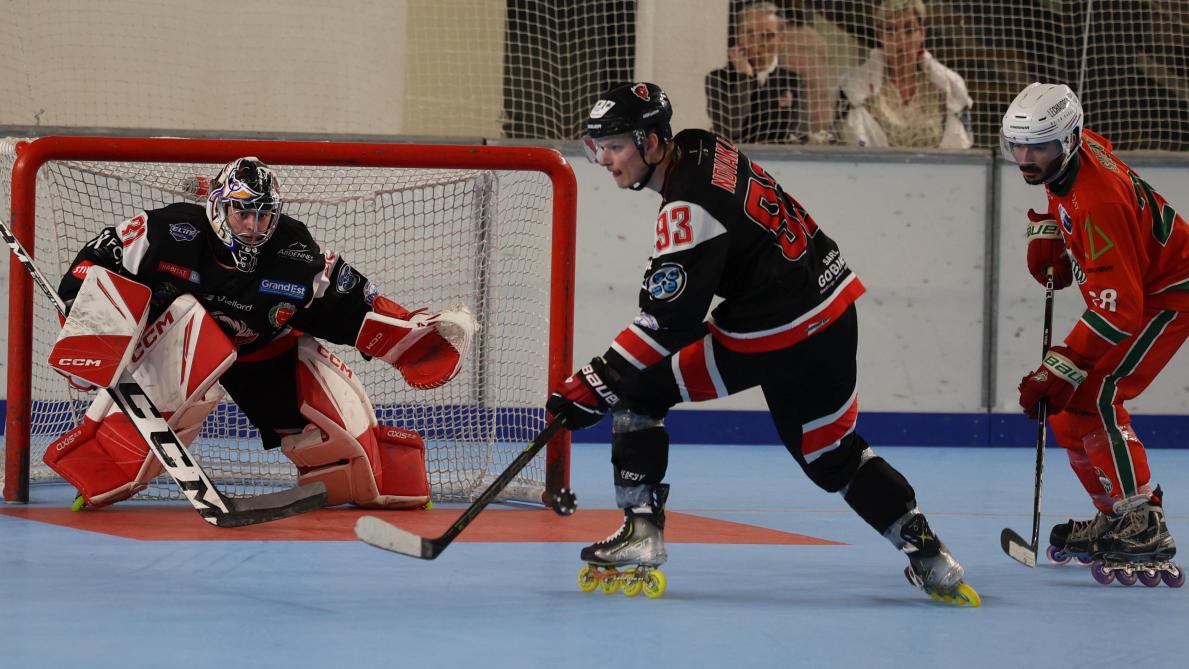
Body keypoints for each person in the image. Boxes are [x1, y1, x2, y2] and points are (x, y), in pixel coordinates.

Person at [549, 81, 980, 605]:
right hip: (834, 308)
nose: (603, 159)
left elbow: (669, 320)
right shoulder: (702, 143)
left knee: (638, 391)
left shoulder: (686, 208)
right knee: (831, 454)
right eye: (597, 146)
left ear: (653, 141)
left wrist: (597, 381)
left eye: (614, 145)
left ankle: (641, 536)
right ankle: (931, 555)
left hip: (773, 335)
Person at [44, 157, 475, 511]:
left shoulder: (294, 253)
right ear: (218, 208)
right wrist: (88, 333)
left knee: (349, 457)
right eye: (242, 211)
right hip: (177, 350)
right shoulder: (165, 233)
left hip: (261, 354)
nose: (253, 226)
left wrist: (412, 341)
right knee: (193, 325)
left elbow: (352, 305)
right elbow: (94, 267)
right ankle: (103, 460)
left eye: (263, 214)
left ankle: (379, 474)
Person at [1003, 83, 1186, 584]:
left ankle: (1142, 520)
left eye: (1036, 147)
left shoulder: (1097, 203)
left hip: (1166, 296)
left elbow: (1119, 313)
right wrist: (1050, 229)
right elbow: (1088, 159)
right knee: (1068, 408)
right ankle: (1113, 517)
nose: (1024, 158)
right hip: (1135, 290)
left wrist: (1059, 363)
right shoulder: (1071, 154)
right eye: (1015, 145)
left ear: (1067, 139)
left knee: (1096, 393)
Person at [838, 0, 972, 149]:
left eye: (909, 30)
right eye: (890, 30)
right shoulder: (855, 87)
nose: (900, 39)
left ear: (922, 33)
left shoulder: (948, 88)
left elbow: (961, 144)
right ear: (879, 35)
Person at [705, 2, 832, 145]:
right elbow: (729, 129)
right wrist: (745, 78)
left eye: (768, 35)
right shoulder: (719, 78)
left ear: (781, 39)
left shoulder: (794, 82)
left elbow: (799, 135)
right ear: (739, 35)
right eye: (750, 33)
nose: (757, 42)